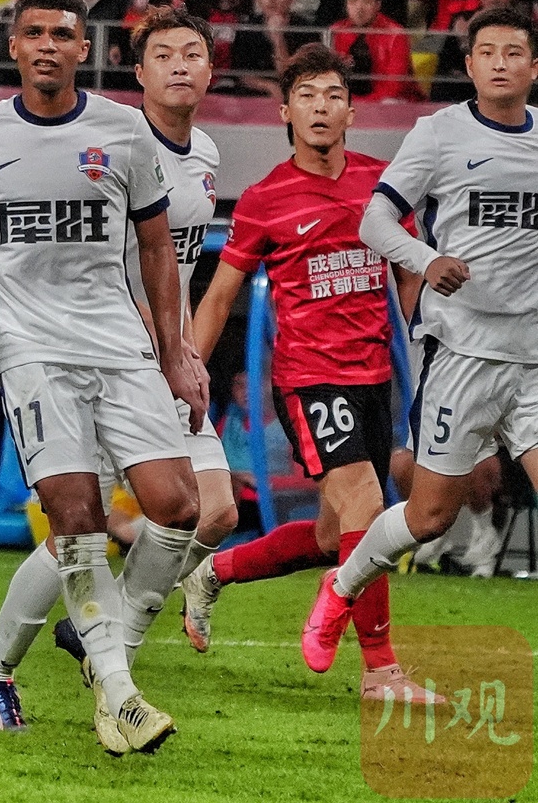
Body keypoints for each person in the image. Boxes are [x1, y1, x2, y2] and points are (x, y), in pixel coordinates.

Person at [0, 0, 208, 754]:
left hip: (119, 344)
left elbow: (156, 249)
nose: (47, 46)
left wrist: (175, 353)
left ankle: (57, 651)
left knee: (179, 507)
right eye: (33, 33)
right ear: (14, 46)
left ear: (82, 49)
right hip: (31, 349)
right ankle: (119, 691)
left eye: (61, 35)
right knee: (77, 519)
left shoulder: (124, 131)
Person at [182, 43, 427, 702]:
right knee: (368, 508)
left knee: (331, 536)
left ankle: (213, 573)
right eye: (307, 96)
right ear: (285, 112)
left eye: (333, 96)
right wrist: (186, 375)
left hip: (374, 379)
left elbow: (411, 272)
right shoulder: (265, 199)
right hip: (309, 379)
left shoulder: (382, 185)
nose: (321, 107)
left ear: (352, 111)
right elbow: (220, 297)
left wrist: (421, 346)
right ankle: (381, 672)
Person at [19, 7, 243, 705]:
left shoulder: (205, 155)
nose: (180, 65)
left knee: (217, 513)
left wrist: (183, 350)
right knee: (75, 531)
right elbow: (99, 267)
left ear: (211, 70)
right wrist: (164, 343)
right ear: (138, 72)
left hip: (165, 361)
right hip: (105, 358)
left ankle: (101, 636)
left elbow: (177, 267)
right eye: (164, 55)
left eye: (193, 53)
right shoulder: (108, 145)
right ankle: (0, 663)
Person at [309, 7, 538, 668]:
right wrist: (426, 259)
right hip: (462, 352)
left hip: (532, 360)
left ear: (533, 67)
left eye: (513, 52)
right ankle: (341, 587)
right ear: (468, 66)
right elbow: (375, 222)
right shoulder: (438, 133)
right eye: (487, 52)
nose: (500, 63)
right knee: (429, 516)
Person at [330, 0, 422, 102]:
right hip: (347, 102)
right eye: (353, 2)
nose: (359, 8)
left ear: (378, 4)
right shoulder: (335, 31)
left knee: (389, 101)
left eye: (366, 2)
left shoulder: (396, 34)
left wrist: (360, 103)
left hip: (393, 102)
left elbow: (394, 87)